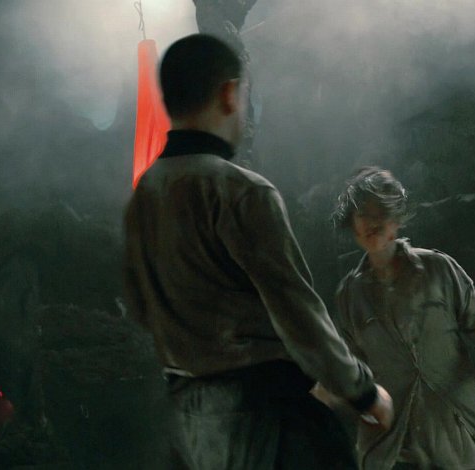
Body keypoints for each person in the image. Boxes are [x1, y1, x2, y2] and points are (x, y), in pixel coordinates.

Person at [123, 34, 393, 469]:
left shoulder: (143, 197)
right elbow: (298, 312)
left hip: (188, 421)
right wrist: (361, 390)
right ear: (229, 94)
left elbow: (139, 308)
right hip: (262, 414)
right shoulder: (241, 191)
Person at [330, 167, 475, 470]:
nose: (372, 222)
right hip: (394, 451)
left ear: (396, 219)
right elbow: (348, 366)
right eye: (363, 214)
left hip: (459, 439)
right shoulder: (350, 296)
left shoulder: (438, 269)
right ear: (352, 223)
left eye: (381, 211)